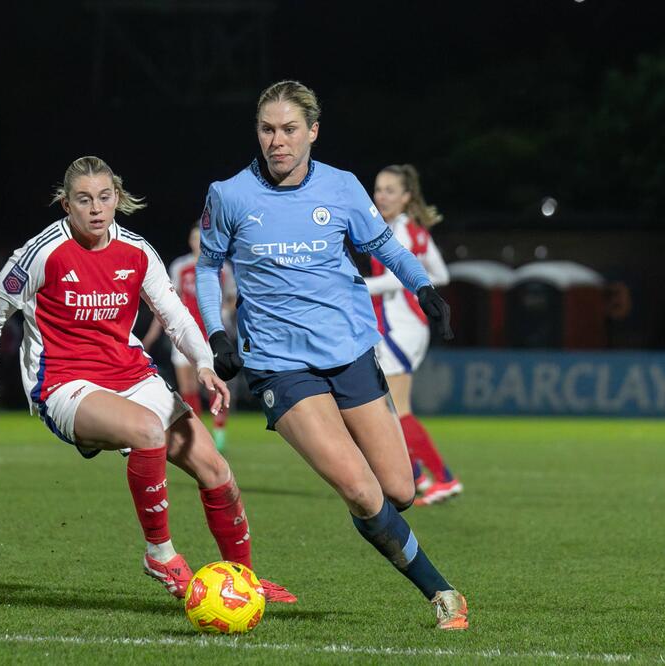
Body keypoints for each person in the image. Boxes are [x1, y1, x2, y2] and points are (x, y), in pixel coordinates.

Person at [195, 81, 468, 630]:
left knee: (398, 490)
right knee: (362, 490)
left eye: (290, 129)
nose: (278, 141)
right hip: (279, 365)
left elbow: (385, 246)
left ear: (313, 132)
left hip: (349, 353)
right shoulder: (229, 195)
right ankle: (443, 594)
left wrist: (424, 289)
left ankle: (376, 515)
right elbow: (208, 266)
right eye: (268, 129)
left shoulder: (342, 188)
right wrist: (216, 336)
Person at [0, 156, 294, 603]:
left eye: (104, 197)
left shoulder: (137, 250)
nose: (96, 209)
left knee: (217, 471)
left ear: (117, 198)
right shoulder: (43, 252)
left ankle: (246, 583)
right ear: (66, 204)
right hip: (64, 383)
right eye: (84, 200)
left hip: (131, 374)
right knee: (145, 429)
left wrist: (203, 363)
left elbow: (174, 315)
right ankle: (160, 553)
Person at [368, 164, 462, 505]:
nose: (381, 196)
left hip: (399, 326)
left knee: (397, 410)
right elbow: (441, 274)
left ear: (406, 196)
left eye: (390, 190)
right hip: (408, 326)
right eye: (378, 189)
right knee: (387, 406)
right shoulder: (412, 228)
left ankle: (443, 478)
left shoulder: (401, 231)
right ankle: (417, 474)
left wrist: (361, 286)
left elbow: (399, 277)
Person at [143, 225, 237, 450]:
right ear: (190, 241)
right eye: (195, 238)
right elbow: (166, 303)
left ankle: (220, 431)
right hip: (187, 333)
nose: (199, 242)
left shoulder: (222, 267)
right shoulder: (181, 267)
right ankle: (199, 432)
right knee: (188, 386)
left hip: (212, 333)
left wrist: (224, 311)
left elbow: (232, 298)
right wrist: (150, 337)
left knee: (214, 384)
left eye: (203, 239)